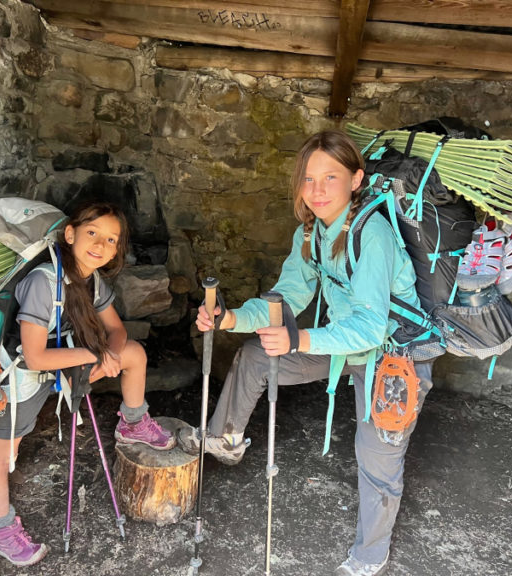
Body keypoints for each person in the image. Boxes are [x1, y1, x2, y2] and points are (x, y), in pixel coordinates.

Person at [177, 130, 434, 576]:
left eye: (329, 178)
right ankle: (225, 438)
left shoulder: (371, 235)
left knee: (377, 458)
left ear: (356, 180)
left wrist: (299, 341)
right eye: (308, 179)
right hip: (343, 342)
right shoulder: (311, 232)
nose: (316, 190)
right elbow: (286, 298)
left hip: (395, 355)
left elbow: (372, 327)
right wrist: (230, 318)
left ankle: (371, 554)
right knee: (257, 355)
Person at [0, 201, 175, 567]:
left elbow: (116, 330)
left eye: (111, 239)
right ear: (70, 235)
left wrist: (111, 356)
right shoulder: (43, 282)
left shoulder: (91, 279)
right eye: (92, 234)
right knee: (2, 457)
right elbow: (36, 357)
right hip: (21, 376)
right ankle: (0, 530)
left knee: (133, 353)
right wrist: (94, 357)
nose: (101, 245)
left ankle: (133, 423)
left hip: (64, 364)